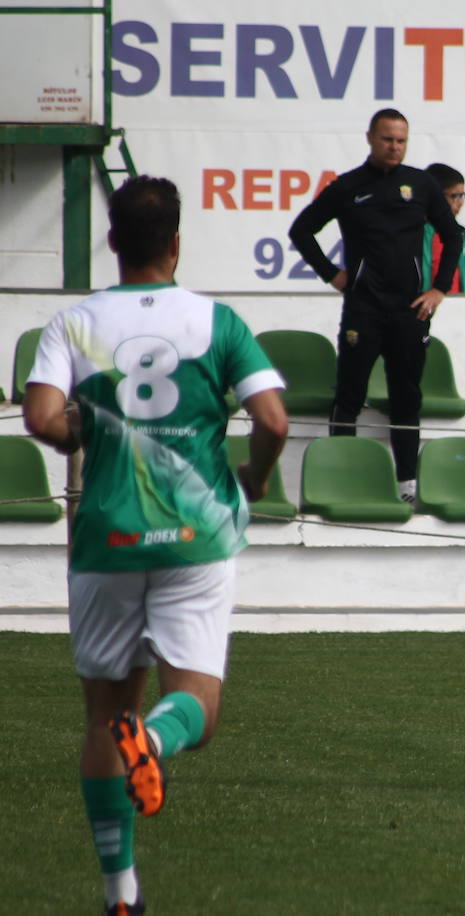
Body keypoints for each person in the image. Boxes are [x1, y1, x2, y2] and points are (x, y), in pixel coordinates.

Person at [23, 175, 289, 915]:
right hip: (195, 537)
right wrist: (255, 482)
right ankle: (156, 742)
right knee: (194, 705)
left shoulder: (73, 323)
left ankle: (120, 896)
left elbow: (41, 419)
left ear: (113, 242)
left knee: (105, 715)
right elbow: (272, 419)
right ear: (176, 242)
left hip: (106, 537)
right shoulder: (218, 322)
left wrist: (92, 432)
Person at [288, 108, 462, 503]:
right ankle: (342, 477)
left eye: (401, 140)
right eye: (387, 139)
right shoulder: (348, 186)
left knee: (406, 397)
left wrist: (438, 290)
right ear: (370, 138)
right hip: (363, 308)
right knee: (349, 396)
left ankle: (406, 484)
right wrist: (331, 273)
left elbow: (452, 237)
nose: (394, 147)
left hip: (410, 310)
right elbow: (302, 229)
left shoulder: (420, 185)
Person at [423, 162, 465, 293]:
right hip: (423, 307)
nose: (461, 203)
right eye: (455, 196)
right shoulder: (418, 232)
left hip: (458, 308)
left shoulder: (464, 235)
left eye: (462, 196)